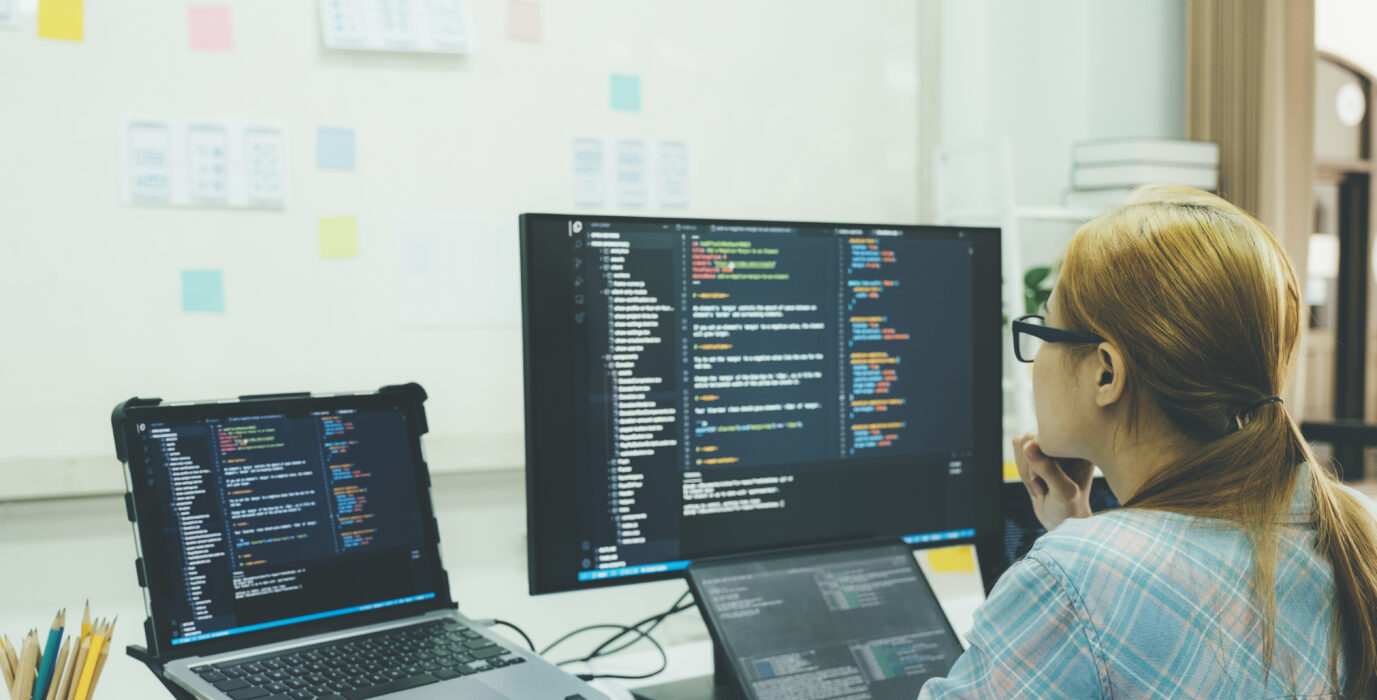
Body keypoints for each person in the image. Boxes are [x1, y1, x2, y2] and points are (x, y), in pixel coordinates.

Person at [919, 185, 1377, 699]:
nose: (1035, 363)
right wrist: (1076, 528)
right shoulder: (1353, 525)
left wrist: (1074, 548)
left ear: (1106, 374)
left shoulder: (1069, 582)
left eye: (1045, 330)